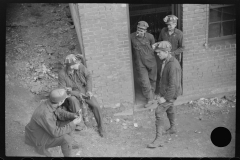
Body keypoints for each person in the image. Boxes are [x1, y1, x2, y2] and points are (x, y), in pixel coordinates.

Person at [58, 54, 105, 137]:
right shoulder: (62, 74)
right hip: (72, 93)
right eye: (76, 63)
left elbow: (88, 76)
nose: (79, 64)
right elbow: (62, 90)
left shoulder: (80, 67)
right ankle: (80, 124)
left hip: (83, 90)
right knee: (73, 100)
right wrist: (75, 93)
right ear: (71, 66)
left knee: (96, 105)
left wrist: (89, 91)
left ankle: (101, 128)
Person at [25, 88, 82, 157]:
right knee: (66, 138)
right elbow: (55, 133)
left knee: (69, 122)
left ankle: (68, 145)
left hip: (42, 131)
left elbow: (59, 112)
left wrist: (73, 115)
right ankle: (42, 148)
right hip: (38, 138)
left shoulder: (50, 102)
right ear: (61, 101)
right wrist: (73, 123)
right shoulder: (46, 114)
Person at [147, 41, 182, 148]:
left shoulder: (173, 65)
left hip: (171, 94)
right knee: (170, 109)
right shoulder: (166, 61)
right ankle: (173, 128)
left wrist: (165, 98)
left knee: (158, 112)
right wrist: (160, 94)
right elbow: (165, 81)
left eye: (159, 53)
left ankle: (158, 140)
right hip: (167, 92)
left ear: (166, 52)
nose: (157, 55)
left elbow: (173, 86)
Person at [130, 21, 157, 108]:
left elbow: (154, 48)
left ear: (145, 31)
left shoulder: (150, 37)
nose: (140, 31)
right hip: (140, 63)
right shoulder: (131, 37)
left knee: (152, 79)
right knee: (145, 81)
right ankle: (149, 99)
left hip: (151, 61)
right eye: (138, 29)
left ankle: (151, 96)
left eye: (142, 30)